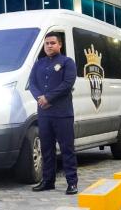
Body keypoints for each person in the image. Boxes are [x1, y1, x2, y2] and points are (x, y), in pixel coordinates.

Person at [28, 32, 78, 195]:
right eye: (47, 43)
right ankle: (48, 181)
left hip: (62, 114)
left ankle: (72, 183)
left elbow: (67, 84)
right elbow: (32, 83)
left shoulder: (67, 62)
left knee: (67, 149)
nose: (49, 46)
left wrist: (48, 98)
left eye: (52, 43)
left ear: (60, 45)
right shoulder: (39, 64)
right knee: (47, 149)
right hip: (44, 115)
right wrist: (40, 98)